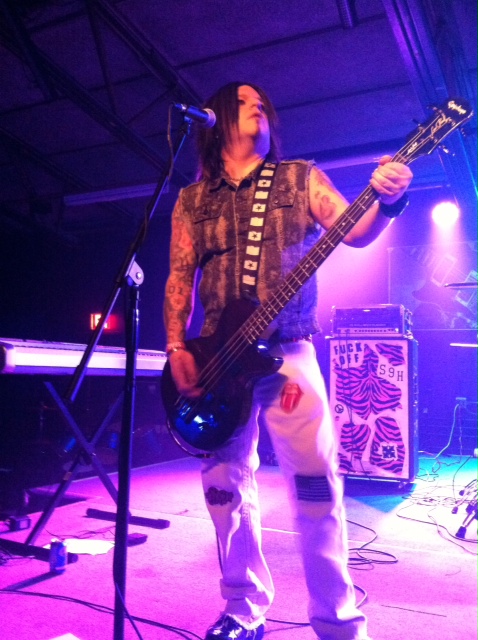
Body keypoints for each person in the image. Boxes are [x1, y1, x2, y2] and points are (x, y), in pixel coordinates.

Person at [163, 81, 413, 640]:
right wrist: (176, 345)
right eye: (244, 100)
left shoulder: (299, 177)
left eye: (263, 102)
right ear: (217, 118)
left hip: (288, 356)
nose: (259, 105)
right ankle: (241, 608)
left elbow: (356, 231)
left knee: (316, 486)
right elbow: (179, 276)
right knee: (225, 488)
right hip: (217, 361)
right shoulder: (192, 200)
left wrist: (390, 200)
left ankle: (338, 621)